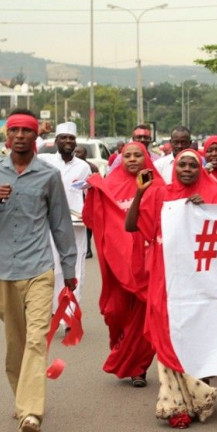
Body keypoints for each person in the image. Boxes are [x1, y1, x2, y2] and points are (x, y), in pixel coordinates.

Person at [0, 109, 77, 432]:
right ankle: (22, 398)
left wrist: (69, 269)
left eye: (25, 130)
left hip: (39, 268)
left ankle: (30, 413)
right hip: (3, 271)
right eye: (13, 130)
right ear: (6, 136)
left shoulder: (47, 175)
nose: (19, 135)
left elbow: (60, 223)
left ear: (34, 137)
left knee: (36, 339)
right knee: (15, 343)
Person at [126, 149, 217, 428]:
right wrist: (139, 193)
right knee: (167, 335)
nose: (186, 169)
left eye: (192, 165)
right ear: (175, 167)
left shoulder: (214, 194)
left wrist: (205, 210)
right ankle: (175, 404)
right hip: (165, 277)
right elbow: (131, 224)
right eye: (182, 164)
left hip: (200, 280)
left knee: (196, 334)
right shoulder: (160, 193)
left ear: (200, 169)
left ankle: (197, 393)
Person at [82, 142, 163, 388]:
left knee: (143, 318)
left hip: (148, 264)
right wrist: (95, 192)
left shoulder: (158, 185)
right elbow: (92, 218)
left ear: (146, 158)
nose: (132, 160)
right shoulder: (110, 185)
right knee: (116, 311)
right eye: (127, 156)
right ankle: (121, 347)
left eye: (138, 155)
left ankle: (138, 368)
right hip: (117, 265)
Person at [37, 122, 92, 329]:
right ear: (57, 141)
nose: (68, 141)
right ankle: (54, 309)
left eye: (71, 138)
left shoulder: (84, 167)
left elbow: (89, 196)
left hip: (76, 226)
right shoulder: (46, 162)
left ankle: (70, 313)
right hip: (50, 224)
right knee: (54, 267)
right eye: (64, 138)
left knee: (76, 267)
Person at [74, 145, 99, 259]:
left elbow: (97, 183)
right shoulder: (73, 166)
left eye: (79, 152)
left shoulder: (91, 167)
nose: (76, 154)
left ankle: (88, 249)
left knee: (88, 228)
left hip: (88, 201)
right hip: (76, 201)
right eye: (75, 152)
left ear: (85, 154)